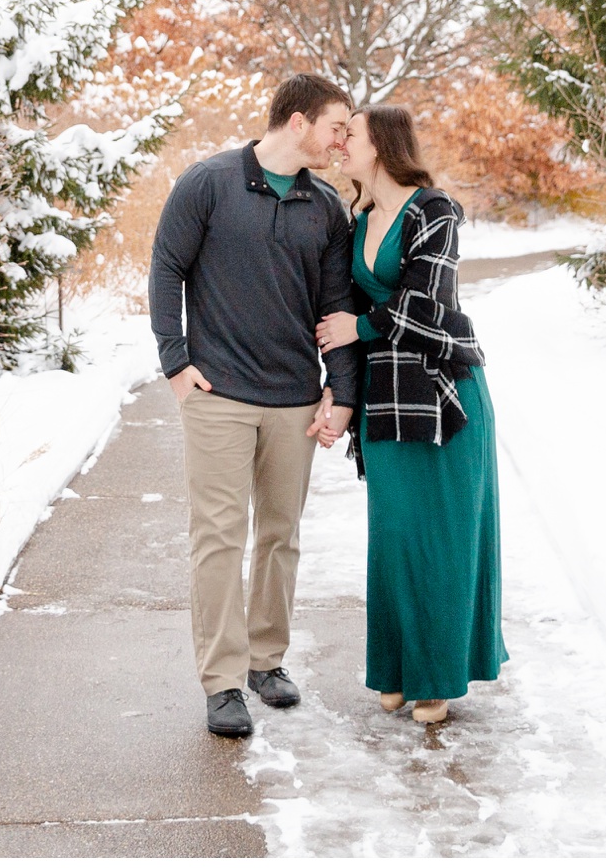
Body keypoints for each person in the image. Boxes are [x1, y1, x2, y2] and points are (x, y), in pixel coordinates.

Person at [149, 72, 362, 738]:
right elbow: (165, 269)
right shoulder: (207, 183)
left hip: (294, 401)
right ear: (297, 121)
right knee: (218, 536)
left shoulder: (325, 207)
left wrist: (342, 393)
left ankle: (266, 661)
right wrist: (176, 363)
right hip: (218, 398)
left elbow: (337, 307)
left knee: (280, 535)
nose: (344, 140)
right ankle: (222, 680)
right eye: (337, 126)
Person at [316, 104, 507, 725]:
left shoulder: (435, 211)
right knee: (394, 537)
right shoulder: (358, 216)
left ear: (383, 146)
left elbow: (428, 302)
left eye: (353, 135)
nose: (341, 143)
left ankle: (437, 679)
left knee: (441, 539)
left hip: (443, 395)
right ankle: (396, 668)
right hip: (385, 395)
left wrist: (359, 326)